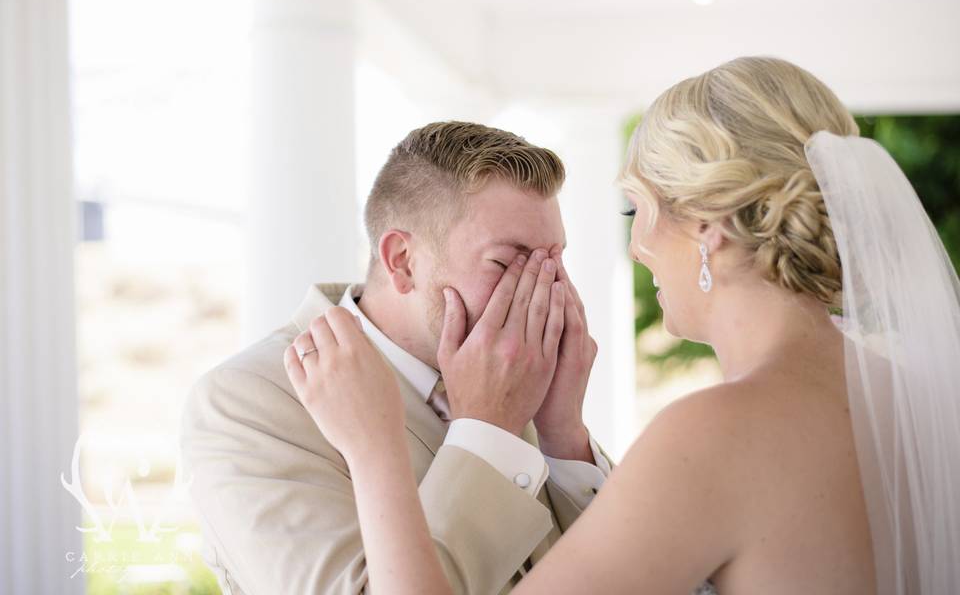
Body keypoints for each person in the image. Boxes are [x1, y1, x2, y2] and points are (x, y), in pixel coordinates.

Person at [286, 57, 960, 594]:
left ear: (708, 227)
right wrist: (564, 438)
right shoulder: (918, 404)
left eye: (637, 208)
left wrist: (374, 452)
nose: (636, 247)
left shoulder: (713, 436)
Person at [181, 122, 615, 595]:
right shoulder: (245, 403)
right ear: (403, 261)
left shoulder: (516, 373)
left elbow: (621, 575)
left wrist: (563, 436)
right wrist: (487, 432)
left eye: (553, 262)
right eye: (509, 262)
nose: (543, 290)